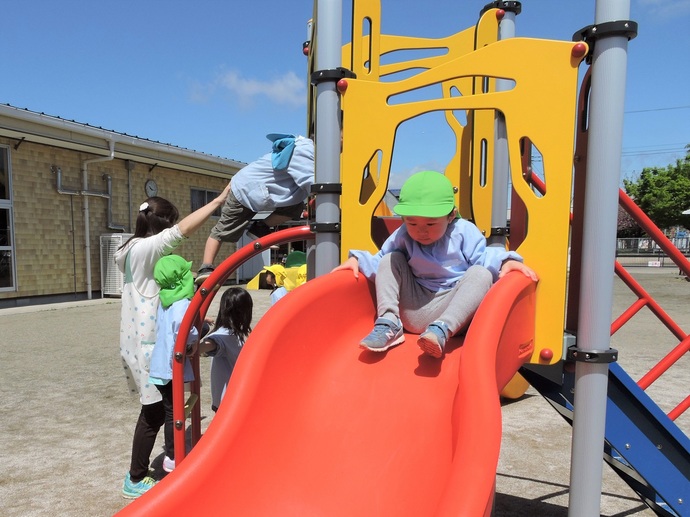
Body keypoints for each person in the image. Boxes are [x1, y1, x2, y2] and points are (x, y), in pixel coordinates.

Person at [332, 170, 538, 358]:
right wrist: (356, 260)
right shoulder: (403, 235)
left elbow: (485, 258)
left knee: (480, 273)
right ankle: (389, 322)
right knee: (391, 259)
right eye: (412, 223)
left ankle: (441, 330)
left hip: (455, 312)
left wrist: (507, 261)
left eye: (431, 224)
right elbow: (379, 262)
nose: (421, 231)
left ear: (451, 215)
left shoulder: (464, 233)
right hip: (413, 309)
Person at [114, 184, 230, 499]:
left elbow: (159, 289)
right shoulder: (143, 249)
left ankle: (158, 463)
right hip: (148, 344)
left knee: (158, 407)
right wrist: (218, 201)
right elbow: (182, 231)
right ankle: (143, 473)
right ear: (162, 223)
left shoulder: (128, 249)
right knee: (159, 409)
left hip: (139, 339)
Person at [195, 133, 315, 285]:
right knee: (222, 231)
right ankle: (205, 267)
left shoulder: (309, 151)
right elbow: (311, 183)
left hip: (260, 193)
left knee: (295, 207)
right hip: (242, 192)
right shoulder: (304, 150)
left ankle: (260, 227)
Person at [148, 254, 200, 475]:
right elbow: (183, 330)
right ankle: (173, 455)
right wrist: (194, 339)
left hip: (161, 365)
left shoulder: (166, 299)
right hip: (171, 367)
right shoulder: (182, 303)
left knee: (173, 410)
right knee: (174, 412)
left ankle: (174, 452)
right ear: (181, 279)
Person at [198, 287, 253, 412]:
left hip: (236, 399)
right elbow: (211, 344)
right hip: (229, 403)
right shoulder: (223, 335)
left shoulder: (239, 332)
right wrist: (194, 346)